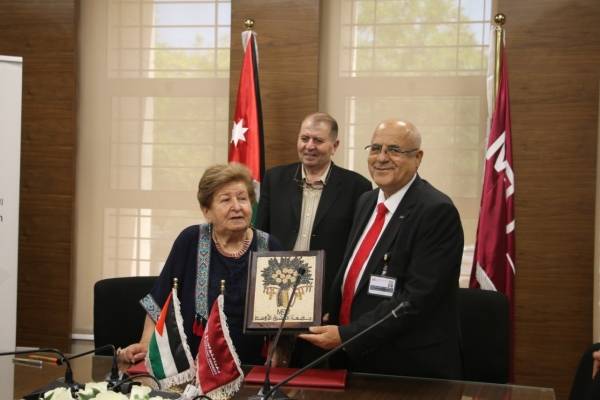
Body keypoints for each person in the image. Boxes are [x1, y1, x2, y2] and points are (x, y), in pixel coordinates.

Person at [299, 119, 464, 379]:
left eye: (394, 150)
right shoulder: (366, 201)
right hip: (352, 358)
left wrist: (347, 335)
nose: (382, 158)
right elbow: (354, 271)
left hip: (406, 368)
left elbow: (415, 300)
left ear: (418, 158)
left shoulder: (436, 211)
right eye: (375, 148)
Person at [119, 163, 281, 366]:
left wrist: (279, 356)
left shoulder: (270, 246)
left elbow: (285, 316)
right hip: (193, 367)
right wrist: (145, 343)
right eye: (225, 200)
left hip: (253, 367)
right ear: (207, 211)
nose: (237, 207)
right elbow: (158, 301)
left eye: (242, 198)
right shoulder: (190, 240)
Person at [256, 112, 372, 312]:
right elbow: (260, 236)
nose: (309, 146)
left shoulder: (357, 187)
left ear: (334, 146)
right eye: (304, 138)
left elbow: (356, 251)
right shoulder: (275, 179)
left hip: (327, 294)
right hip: (275, 288)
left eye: (318, 140)